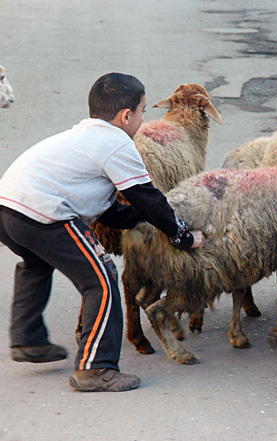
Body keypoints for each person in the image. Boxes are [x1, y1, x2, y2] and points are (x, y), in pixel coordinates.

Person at [0, 72, 204, 392]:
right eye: (143, 110)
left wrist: (141, 220)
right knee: (102, 282)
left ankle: (28, 340)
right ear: (126, 116)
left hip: (8, 209)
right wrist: (182, 235)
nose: (143, 118)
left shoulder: (83, 136)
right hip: (45, 214)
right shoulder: (116, 143)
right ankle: (97, 369)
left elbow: (111, 208)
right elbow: (146, 195)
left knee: (37, 263)